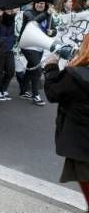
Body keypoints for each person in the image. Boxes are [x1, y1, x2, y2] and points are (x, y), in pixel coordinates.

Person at [44, 36, 89, 210]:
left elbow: (53, 93)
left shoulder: (76, 75)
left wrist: (51, 67)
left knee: (85, 178)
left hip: (81, 140)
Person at [20, 1, 56, 106]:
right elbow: (33, 23)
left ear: (45, 5)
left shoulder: (49, 15)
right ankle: (35, 95)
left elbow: (54, 29)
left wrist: (52, 32)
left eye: (42, 3)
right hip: (27, 45)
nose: (39, 5)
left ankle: (23, 91)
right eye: (38, 3)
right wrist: (47, 13)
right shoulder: (28, 13)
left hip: (39, 46)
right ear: (34, 4)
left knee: (31, 66)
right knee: (37, 69)